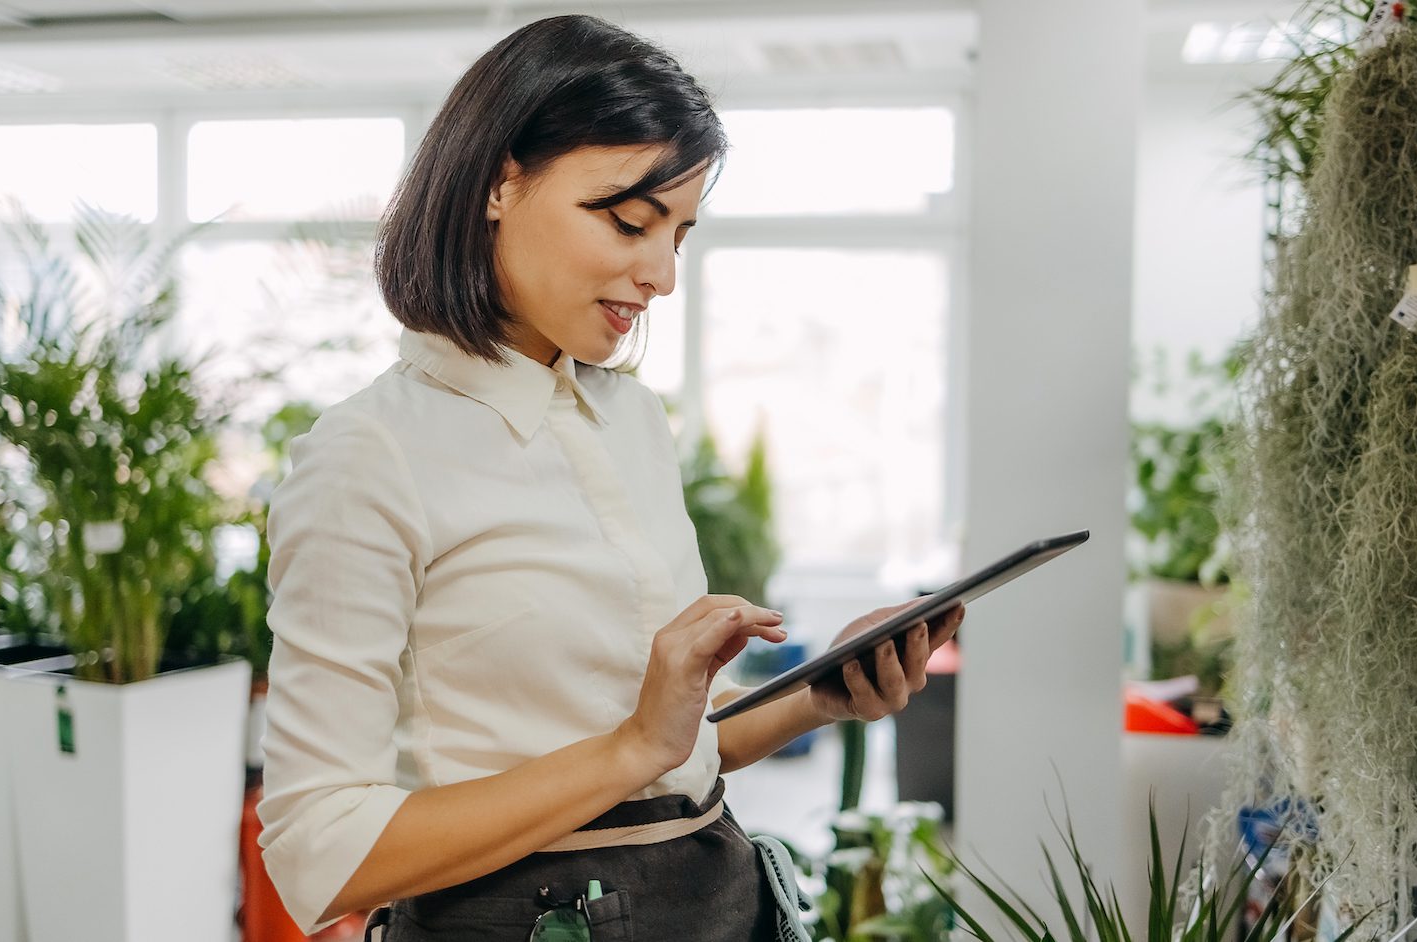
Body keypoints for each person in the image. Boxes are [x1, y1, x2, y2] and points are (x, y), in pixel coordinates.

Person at [256, 14, 964, 942]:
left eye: (679, 233)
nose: (662, 275)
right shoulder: (370, 456)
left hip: (716, 906)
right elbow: (320, 849)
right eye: (630, 222)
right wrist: (633, 746)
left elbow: (670, 755)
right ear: (500, 181)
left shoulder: (628, 420)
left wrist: (819, 693)